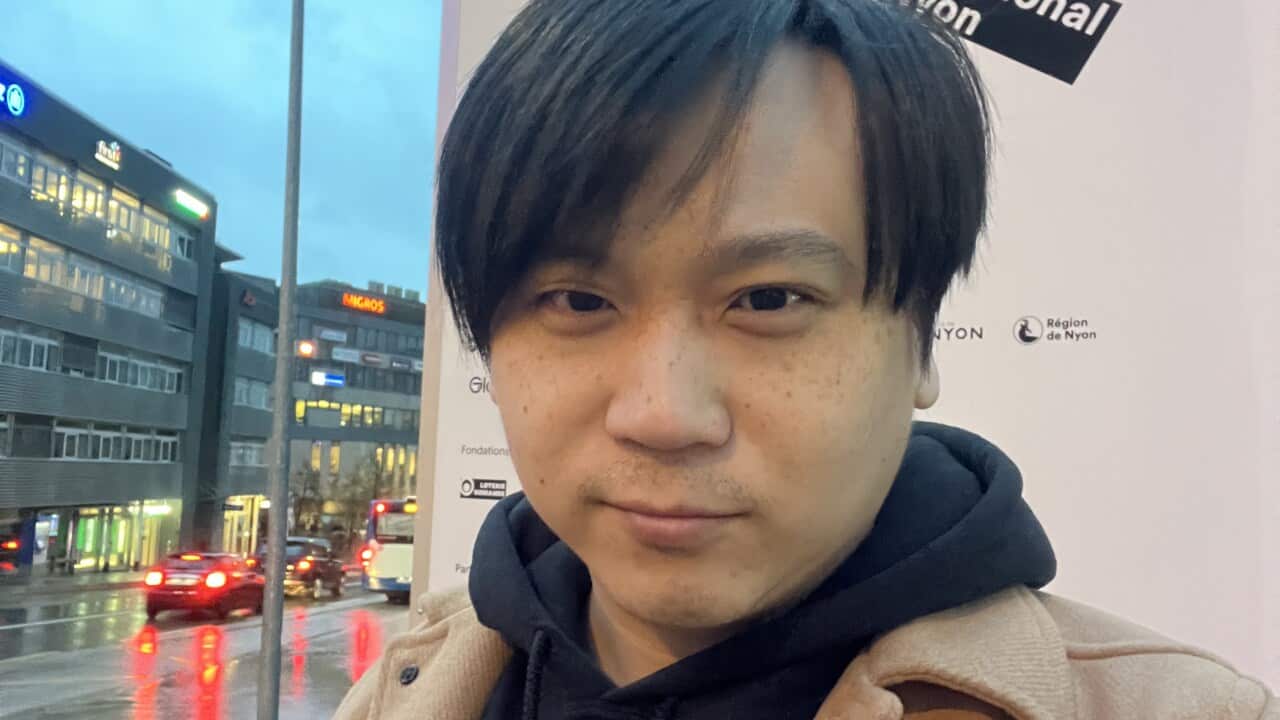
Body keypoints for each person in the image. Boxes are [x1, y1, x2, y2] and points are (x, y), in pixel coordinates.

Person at [335, 1, 1277, 718]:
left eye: (770, 299)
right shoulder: (403, 686)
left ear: (922, 336)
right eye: (579, 301)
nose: (664, 414)